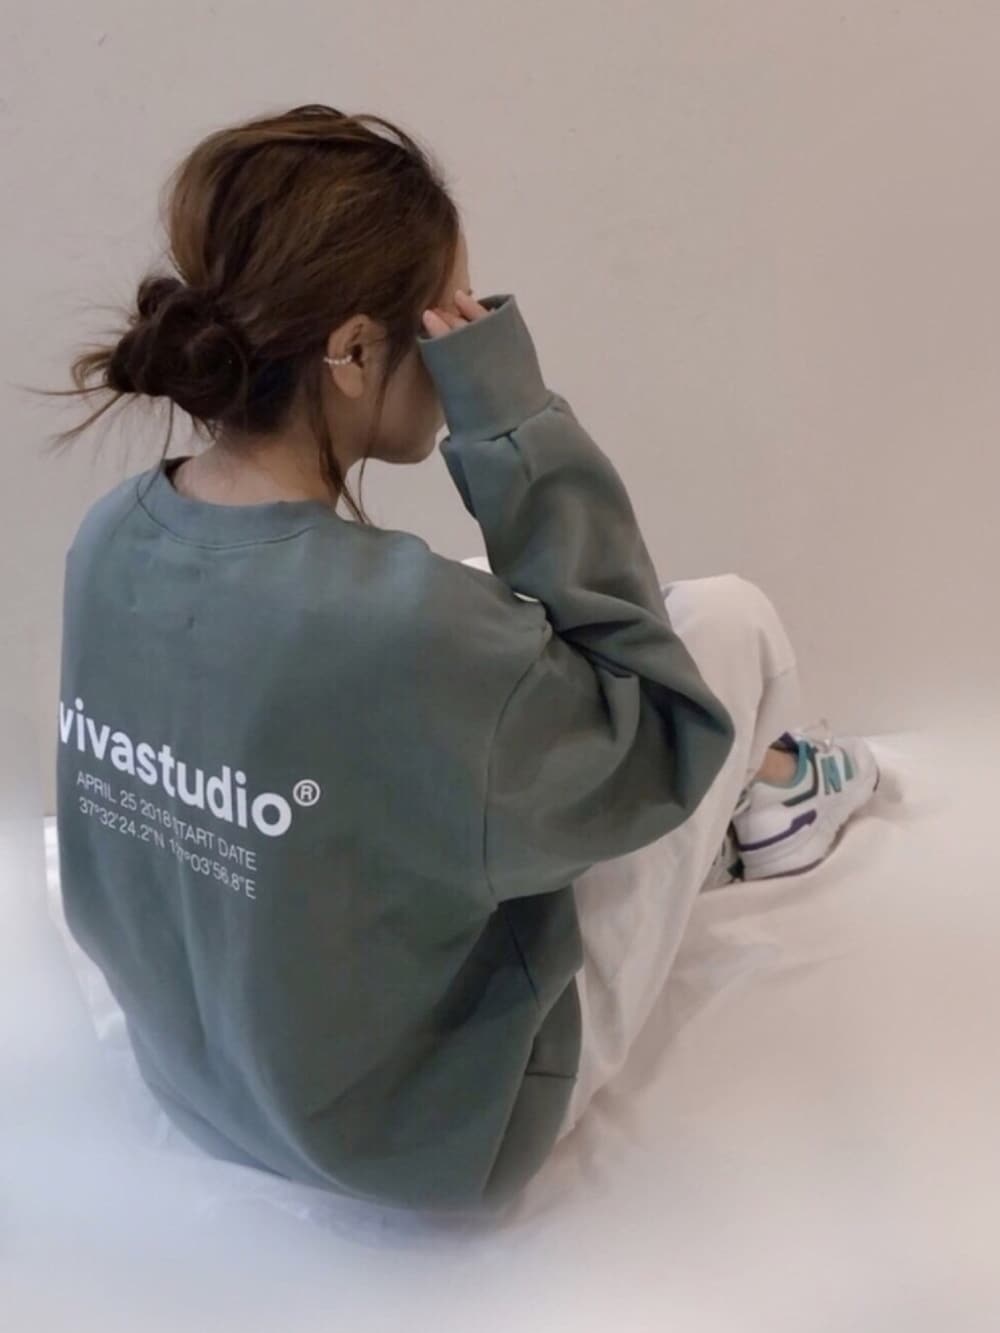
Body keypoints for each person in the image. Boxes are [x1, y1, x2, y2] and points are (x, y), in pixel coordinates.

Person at [39, 103, 879, 1221]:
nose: (456, 345)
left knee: (479, 614)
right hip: (427, 1132)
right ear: (352, 351)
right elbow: (662, 729)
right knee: (724, 621)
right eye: (444, 315)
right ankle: (779, 795)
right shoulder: (401, 630)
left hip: (201, 1082)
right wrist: (511, 418)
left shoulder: (111, 535)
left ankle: (763, 784)